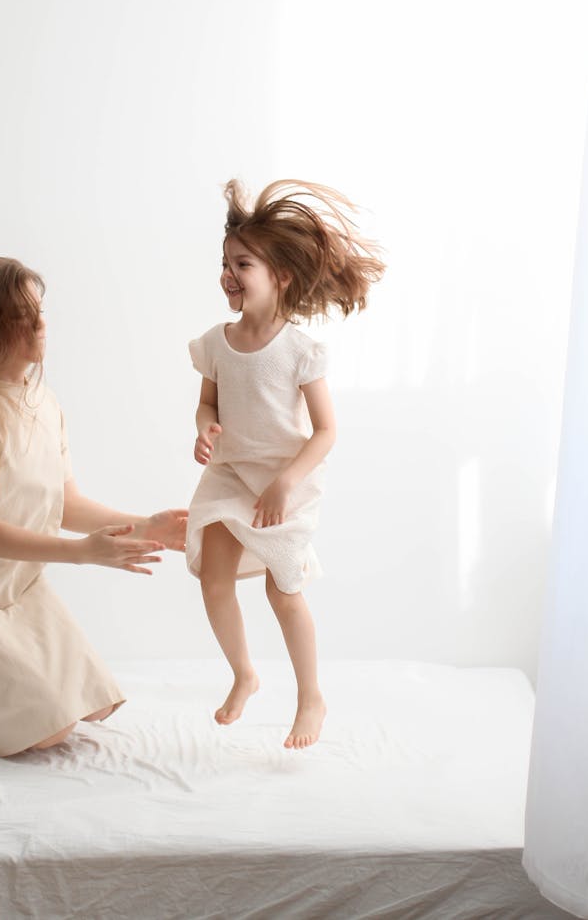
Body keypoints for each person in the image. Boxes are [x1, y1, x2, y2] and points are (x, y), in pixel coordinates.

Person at [0, 257, 187, 757]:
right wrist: (84, 554)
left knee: (93, 705)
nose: (39, 324)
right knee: (48, 729)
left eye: (39, 310)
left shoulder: (43, 403)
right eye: (20, 314)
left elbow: (66, 503)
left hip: (15, 595)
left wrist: (146, 525)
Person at [187, 179, 385, 749]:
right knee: (214, 580)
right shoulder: (215, 343)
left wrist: (285, 483)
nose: (228, 274)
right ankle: (244, 674)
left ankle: (310, 697)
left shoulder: (300, 350)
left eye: (242, 263)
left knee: (283, 592)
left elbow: (325, 431)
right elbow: (207, 404)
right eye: (225, 262)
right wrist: (205, 432)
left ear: (281, 277)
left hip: (285, 482)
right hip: (230, 474)